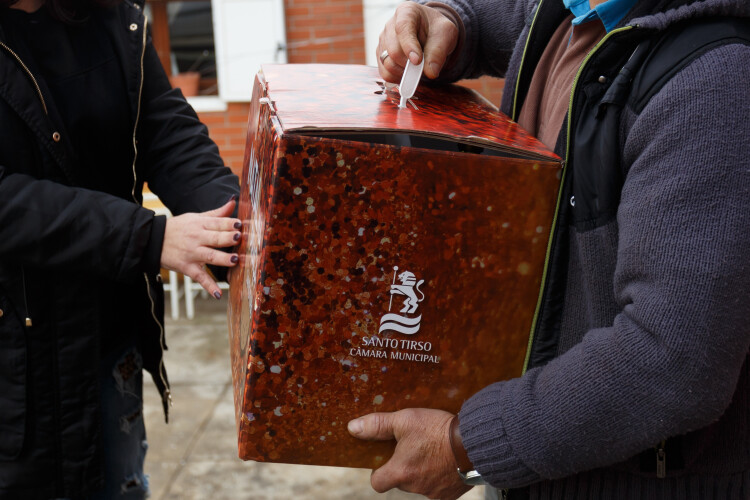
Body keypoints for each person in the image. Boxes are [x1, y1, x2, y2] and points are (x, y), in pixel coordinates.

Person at [347, 0, 750, 499]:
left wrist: (464, 447)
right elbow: (515, 18)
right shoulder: (572, 11)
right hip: (538, 463)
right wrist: (449, 22)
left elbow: (673, 358)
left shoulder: (716, 81)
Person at [0, 0, 240, 497]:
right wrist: (144, 236)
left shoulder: (108, 15)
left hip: (106, 345)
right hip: (13, 363)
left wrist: (237, 224)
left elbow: (166, 133)